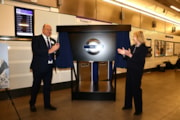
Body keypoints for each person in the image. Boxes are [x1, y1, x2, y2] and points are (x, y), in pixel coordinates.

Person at [29, 24, 60, 112]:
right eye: (47, 29)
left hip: (49, 67)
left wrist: (57, 50)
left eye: (50, 30)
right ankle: (32, 104)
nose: (49, 31)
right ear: (43, 30)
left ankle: (47, 104)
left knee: (47, 87)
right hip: (38, 67)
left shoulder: (53, 40)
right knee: (36, 86)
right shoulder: (36, 39)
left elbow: (55, 53)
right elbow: (36, 51)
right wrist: (51, 50)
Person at [117, 31, 147, 115]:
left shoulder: (143, 48)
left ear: (138, 37)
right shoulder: (133, 46)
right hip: (130, 70)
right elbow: (128, 58)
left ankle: (139, 109)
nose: (133, 38)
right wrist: (124, 54)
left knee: (136, 89)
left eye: (134, 36)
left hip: (137, 71)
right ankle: (128, 105)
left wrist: (129, 55)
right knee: (128, 88)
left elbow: (138, 60)